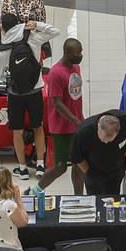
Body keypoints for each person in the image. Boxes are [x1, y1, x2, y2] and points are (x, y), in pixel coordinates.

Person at [0, 14, 59, 179]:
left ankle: (22, 169)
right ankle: (40, 165)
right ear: (18, 24)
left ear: (2, 28)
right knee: (38, 127)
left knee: (17, 131)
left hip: (15, 93)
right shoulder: (32, 38)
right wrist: (37, 24)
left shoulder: (1, 50)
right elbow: (55, 31)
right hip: (35, 90)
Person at [34, 39, 85, 195]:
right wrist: (77, 121)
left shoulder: (75, 67)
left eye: (81, 51)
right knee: (61, 166)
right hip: (62, 128)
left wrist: (80, 120)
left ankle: (79, 198)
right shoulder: (55, 74)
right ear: (66, 53)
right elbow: (57, 104)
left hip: (77, 124)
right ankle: (34, 191)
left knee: (79, 163)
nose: (80, 55)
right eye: (78, 52)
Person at [70, 110, 126, 196]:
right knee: (96, 199)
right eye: (103, 139)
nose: (106, 142)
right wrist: (89, 172)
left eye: (110, 140)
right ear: (98, 127)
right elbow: (77, 158)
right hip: (94, 171)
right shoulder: (82, 132)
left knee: (113, 197)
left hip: (117, 169)